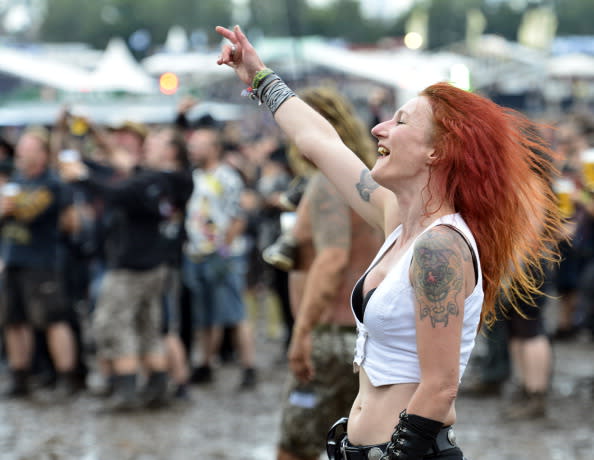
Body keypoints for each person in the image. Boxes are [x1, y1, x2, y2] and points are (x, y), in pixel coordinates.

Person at [215, 25, 563, 460]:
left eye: (400, 121)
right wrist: (260, 77)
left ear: (437, 151)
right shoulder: (398, 221)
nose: (378, 128)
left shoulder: (441, 248)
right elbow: (321, 143)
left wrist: (393, 455)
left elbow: (439, 387)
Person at [277, 86, 383, 460]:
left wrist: (302, 332)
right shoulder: (364, 182)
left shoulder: (328, 183)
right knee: (357, 446)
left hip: (332, 335)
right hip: (359, 339)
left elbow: (333, 260)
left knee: (295, 448)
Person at [0, 127, 80, 399]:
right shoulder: (17, 180)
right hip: (13, 258)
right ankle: (19, 376)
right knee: (13, 321)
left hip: (42, 261)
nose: (21, 153)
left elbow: (30, 211)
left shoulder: (51, 183)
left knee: (53, 320)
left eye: (28, 148)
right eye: (21, 148)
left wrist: (10, 206)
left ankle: (66, 378)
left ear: (42, 154)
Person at [183, 125, 257, 389]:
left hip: (223, 255)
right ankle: (205, 363)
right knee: (205, 315)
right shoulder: (193, 176)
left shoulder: (227, 177)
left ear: (214, 148)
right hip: (196, 254)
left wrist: (223, 250)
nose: (193, 148)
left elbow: (239, 217)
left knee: (234, 312)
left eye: (199, 143)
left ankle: (248, 366)